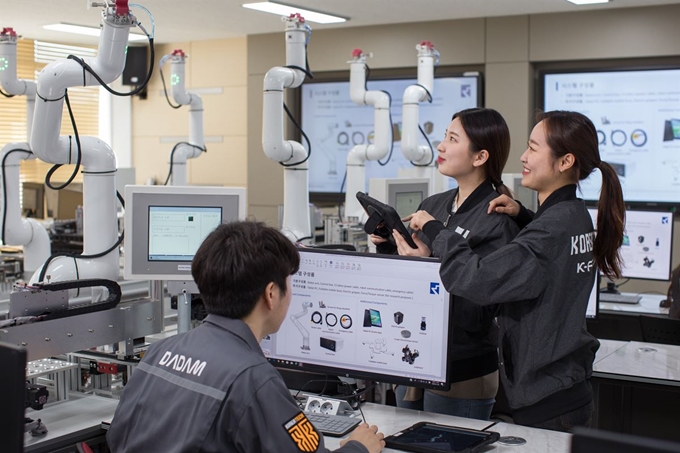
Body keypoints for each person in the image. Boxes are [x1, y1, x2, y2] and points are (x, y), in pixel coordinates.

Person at [396, 110, 625, 432]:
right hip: (562, 382)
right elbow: (547, 256)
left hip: (546, 391)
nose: (523, 156)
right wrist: (524, 216)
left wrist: (437, 231)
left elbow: (477, 280)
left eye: (533, 148)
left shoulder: (550, 229)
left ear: (565, 161)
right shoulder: (573, 216)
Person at [107, 221, 385, 453]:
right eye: (290, 283)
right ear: (271, 294)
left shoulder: (159, 353)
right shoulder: (254, 380)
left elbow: (117, 437)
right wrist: (359, 447)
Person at [371, 108, 519, 419]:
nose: (440, 147)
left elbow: (477, 313)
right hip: (412, 356)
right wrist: (388, 248)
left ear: (479, 157)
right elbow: (403, 285)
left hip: (462, 369)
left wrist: (431, 266)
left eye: (452, 139)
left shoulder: (497, 222)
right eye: (444, 137)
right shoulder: (433, 206)